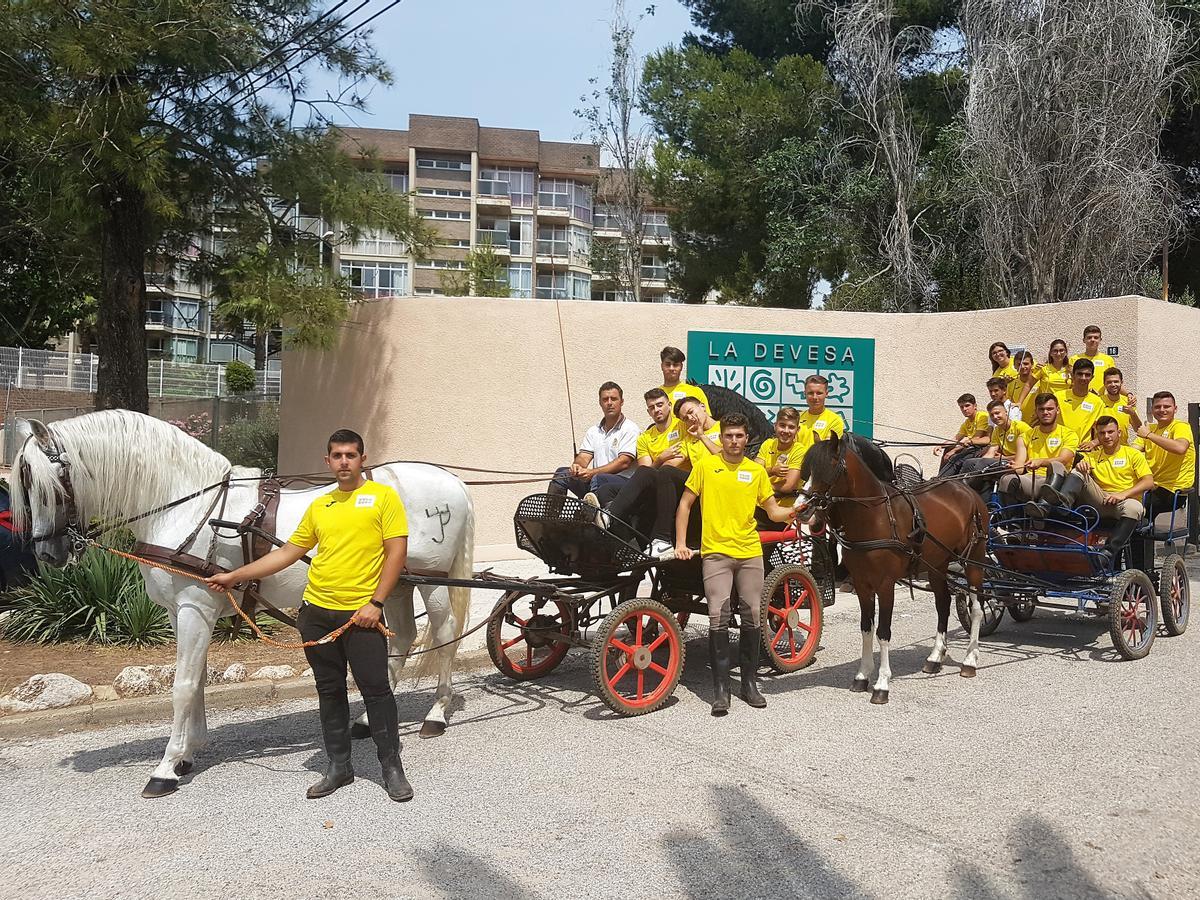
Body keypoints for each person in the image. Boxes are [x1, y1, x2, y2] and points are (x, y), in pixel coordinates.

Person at [206, 429, 413, 802]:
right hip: (316, 613)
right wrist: (236, 576)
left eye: (351, 455)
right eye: (337, 455)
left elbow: (396, 553)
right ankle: (339, 767)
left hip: (361, 615)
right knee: (329, 690)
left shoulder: (383, 498)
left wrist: (377, 603)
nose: (344, 462)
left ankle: (391, 768)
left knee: (377, 691)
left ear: (363, 459)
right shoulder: (321, 505)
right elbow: (286, 553)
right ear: (328, 461)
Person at [674, 414, 796, 716]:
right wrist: (680, 543)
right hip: (716, 553)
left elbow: (773, 510)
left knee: (752, 614)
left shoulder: (755, 471)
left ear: (746, 438)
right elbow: (686, 504)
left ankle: (749, 684)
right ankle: (721, 690)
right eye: (728, 436)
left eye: (739, 436)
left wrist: (796, 511)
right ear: (722, 437)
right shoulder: (706, 467)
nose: (733, 441)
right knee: (719, 615)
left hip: (749, 552)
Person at [599, 395, 718, 557]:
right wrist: (656, 471)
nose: (690, 418)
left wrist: (702, 436)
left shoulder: (724, 429)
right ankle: (614, 522)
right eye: (685, 418)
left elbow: (729, 459)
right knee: (613, 485)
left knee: (661, 473)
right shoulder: (690, 437)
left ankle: (660, 538)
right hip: (693, 486)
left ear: (703, 407)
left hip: (715, 486)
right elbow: (672, 463)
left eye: (691, 412)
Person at [1040, 417, 1154, 562]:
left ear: (1119, 432)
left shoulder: (1133, 454)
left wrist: (1123, 494)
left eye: (1110, 432)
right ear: (1097, 436)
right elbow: (1081, 473)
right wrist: (1081, 467)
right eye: (1102, 433)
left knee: (1135, 508)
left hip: (1124, 502)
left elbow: (1149, 481)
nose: (1106, 436)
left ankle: (1107, 553)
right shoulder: (1092, 456)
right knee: (1078, 470)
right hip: (1100, 500)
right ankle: (1063, 504)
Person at [586, 388, 683, 548]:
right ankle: (623, 535)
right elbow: (647, 470)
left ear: (669, 405)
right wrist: (660, 458)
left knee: (661, 472)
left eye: (660, 405)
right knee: (606, 490)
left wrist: (658, 462)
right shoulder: (645, 437)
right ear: (648, 412)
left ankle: (609, 516)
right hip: (657, 482)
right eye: (652, 407)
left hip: (678, 483)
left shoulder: (681, 427)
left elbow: (674, 464)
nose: (656, 410)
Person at [549, 381, 640, 504]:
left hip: (622, 484)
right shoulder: (594, 431)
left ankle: (592, 517)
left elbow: (624, 462)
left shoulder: (630, 428)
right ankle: (551, 519)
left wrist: (591, 472)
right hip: (596, 481)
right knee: (562, 474)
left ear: (621, 402)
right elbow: (583, 458)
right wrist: (577, 467)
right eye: (605, 399)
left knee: (597, 478)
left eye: (613, 399)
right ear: (600, 403)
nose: (609, 403)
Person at [998, 393, 1079, 512]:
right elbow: (1020, 468)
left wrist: (1041, 461)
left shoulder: (1069, 434)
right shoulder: (1025, 436)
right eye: (1041, 409)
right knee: (1006, 480)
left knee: (1056, 465)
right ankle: (1012, 524)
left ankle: (1042, 509)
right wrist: (1013, 467)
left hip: (1059, 481)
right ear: (1036, 411)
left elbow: (1064, 460)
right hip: (1033, 479)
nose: (1045, 412)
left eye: (1049, 409)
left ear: (1058, 410)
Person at [1130, 391, 1196, 529]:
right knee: (1127, 511)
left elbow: (1180, 448)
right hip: (1151, 486)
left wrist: (1148, 435)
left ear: (1175, 409)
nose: (1162, 410)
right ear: (1152, 409)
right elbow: (1132, 451)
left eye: (1166, 406)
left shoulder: (1180, 427)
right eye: (1158, 407)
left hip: (1173, 491)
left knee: (1132, 507)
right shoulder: (1151, 428)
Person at [754, 406, 811, 530]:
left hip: (784, 515)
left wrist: (761, 485)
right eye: (782, 425)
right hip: (760, 507)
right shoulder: (768, 444)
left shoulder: (799, 450)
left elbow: (788, 486)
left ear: (797, 430)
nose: (786, 430)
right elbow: (754, 472)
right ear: (775, 426)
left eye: (791, 427)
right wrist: (771, 470)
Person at [957, 399, 1029, 494]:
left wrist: (1003, 457)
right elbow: (991, 453)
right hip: (1002, 460)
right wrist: (979, 462)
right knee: (969, 462)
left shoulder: (1021, 427)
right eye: (992, 415)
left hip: (1018, 463)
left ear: (1006, 412)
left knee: (982, 464)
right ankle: (958, 487)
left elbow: (1029, 454)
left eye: (997, 413)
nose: (995, 417)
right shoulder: (997, 430)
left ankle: (969, 491)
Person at [1055, 358, 1103, 445]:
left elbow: (1105, 429)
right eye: (1080, 374)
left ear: (1092, 377)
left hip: (1083, 451)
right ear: (1072, 375)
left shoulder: (1097, 402)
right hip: (1059, 449)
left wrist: (1093, 443)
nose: (1083, 378)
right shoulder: (1057, 397)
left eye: (1087, 375)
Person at [935, 393, 991, 468]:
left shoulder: (982, 416)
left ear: (975, 406)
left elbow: (976, 438)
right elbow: (956, 439)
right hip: (971, 446)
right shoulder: (966, 422)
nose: (964, 409)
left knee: (953, 452)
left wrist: (954, 450)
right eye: (961, 407)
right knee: (948, 448)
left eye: (967, 405)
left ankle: (943, 477)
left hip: (980, 448)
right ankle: (940, 477)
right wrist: (941, 446)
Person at [657, 345, 710, 415]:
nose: (671, 368)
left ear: (681, 367)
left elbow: (707, 420)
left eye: (675, 365)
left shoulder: (695, 392)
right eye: (667, 364)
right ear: (662, 366)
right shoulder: (657, 394)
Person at [797, 374, 846, 443]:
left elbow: (828, 450)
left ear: (826, 394)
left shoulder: (835, 420)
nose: (815, 397)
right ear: (805, 394)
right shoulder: (797, 418)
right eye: (810, 393)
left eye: (819, 393)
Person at [1069, 325, 1116, 393]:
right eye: (1089, 337)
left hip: (1101, 400)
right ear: (1084, 340)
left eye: (1096, 337)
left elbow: (1114, 380)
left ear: (1100, 340)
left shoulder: (1108, 360)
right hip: (1079, 399)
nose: (1092, 340)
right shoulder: (1074, 359)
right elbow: (1071, 382)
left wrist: (1128, 394)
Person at [1096, 368, 1134, 447]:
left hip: (1123, 449)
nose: (1113, 385)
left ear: (1121, 383)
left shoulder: (1128, 402)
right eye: (1109, 382)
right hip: (1101, 450)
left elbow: (1138, 428)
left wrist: (1132, 413)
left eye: (1116, 381)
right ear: (1104, 384)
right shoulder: (1097, 402)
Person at [1009, 350, 1040, 423]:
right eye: (1019, 364)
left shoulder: (1040, 382)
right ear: (1014, 366)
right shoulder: (1010, 385)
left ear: (1032, 364)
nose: (1022, 367)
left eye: (1026, 364)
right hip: (1020, 424)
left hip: (1038, 423)